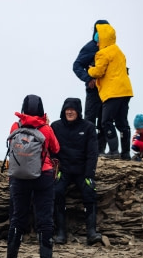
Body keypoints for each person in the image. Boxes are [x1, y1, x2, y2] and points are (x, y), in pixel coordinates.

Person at [5, 94, 62, 258]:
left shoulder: (16, 126)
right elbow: (56, 148)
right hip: (42, 175)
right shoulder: (45, 128)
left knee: (17, 217)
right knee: (45, 220)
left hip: (18, 177)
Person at [51, 97, 102, 246]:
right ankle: (61, 233)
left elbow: (92, 153)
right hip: (64, 170)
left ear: (78, 111)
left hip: (82, 171)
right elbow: (52, 150)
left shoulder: (88, 127)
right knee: (56, 191)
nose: (70, 112)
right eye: (67, 109)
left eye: (73, 109)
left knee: (90, 192)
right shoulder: (56, 126)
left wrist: (89, 175)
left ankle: (91, 232)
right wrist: (56, 169)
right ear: (63, 110)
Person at [88, 22, 133, 160]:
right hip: (125, 91)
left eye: (98, 40)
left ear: (103, 39)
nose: (96, 44)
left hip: (112, 93)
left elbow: (98, 72)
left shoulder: (102, 53)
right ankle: (125, 153)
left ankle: (114, 151)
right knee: (122, 122)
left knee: (106, 121)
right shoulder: (119, 51)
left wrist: (90, 69)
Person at [73, 19, 110, 155]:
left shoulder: (111, 48)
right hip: (93, 91)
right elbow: (76, 65)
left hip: (108, 91)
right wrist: (88, 78)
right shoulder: (90, 47)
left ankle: (101, 151)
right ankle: (87, 150)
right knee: (89, 121)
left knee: (105, 121)